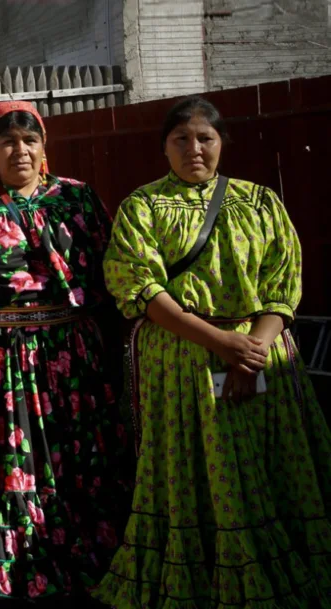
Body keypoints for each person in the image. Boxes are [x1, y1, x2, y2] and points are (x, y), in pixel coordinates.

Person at [94, 96, 331, 608]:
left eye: (205, 138)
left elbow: (282, 284)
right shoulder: (144, 206)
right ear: (164, 146)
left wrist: (252, 351)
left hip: (261, 353)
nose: (194, 148)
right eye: (181, 139)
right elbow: (139, 288)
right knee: (193, 465)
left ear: (222, 143)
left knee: (263, 462)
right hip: (183, 357)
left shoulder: (260, 202)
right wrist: (221, 342)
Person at [0, 101, 133, 605]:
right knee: (12, 463)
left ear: (43, 149)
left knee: (80, 458)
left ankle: (85, 556)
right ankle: (17, 567)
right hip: (3, 361)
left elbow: (110, 284)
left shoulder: (78, 199)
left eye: (29, 141)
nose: (19, 150)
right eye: (7, 142)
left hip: (73, 356)